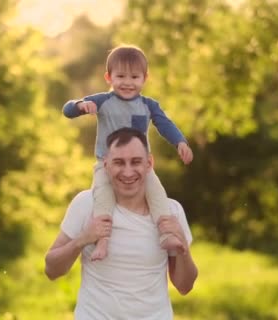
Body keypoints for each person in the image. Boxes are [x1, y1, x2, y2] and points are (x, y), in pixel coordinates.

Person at [45, 127, 198, 319]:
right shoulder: (87, 204)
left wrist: (182, 242)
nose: (127, 172)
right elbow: (51, 270)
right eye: (119, 162)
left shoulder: (170, 212)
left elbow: (185, 286)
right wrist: (82, 239)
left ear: (149, 163)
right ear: (106, 165)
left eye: (136, 162)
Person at [62, 44, 193, 261]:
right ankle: (102, 241)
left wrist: (180, 142)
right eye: (121, 76)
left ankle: (166, 234)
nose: (127, 82)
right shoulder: (103, 101)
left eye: (134, 77)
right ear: (108, 77)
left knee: (156, 192)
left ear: (145, 78)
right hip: (106, 165)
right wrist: (80, 105)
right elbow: (67, 110)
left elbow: (165, 124)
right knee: (102, 196)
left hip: (140, 167)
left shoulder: (148, 105)